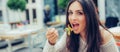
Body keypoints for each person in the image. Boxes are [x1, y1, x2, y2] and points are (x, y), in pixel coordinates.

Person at [43, 0, 119, 52]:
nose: (73, 18)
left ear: (90, 16)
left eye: (79, 13)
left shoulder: (103, 35)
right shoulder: (69, 33)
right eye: (70, 13)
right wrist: (51, 42)